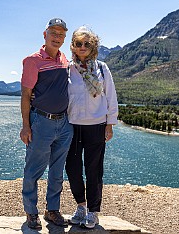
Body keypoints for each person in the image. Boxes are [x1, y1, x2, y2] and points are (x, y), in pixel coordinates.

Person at [20, 18, 74, 229]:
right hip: (41, 122)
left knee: (57, 172)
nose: (57, 37)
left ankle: (52, 210)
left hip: (64, 124)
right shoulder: (32, 61)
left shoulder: (65, 61)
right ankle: (31, 212)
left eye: (61, 34)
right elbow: (25, 95)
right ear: (45, 34)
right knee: (33, 169)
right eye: (54, 33)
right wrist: (26, 125)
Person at [65, 26, 119, 228]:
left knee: (94, 170)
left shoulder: (102, 69)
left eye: (86, 43)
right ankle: (81, 206)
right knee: (72, 168)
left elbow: (111, 97)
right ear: (73, 46)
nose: (82, 47)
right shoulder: (67, 68)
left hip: (96, 125)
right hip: (72, 125)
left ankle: (94, 211)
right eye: (78, 43)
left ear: (93, 46)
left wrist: (110, 124)